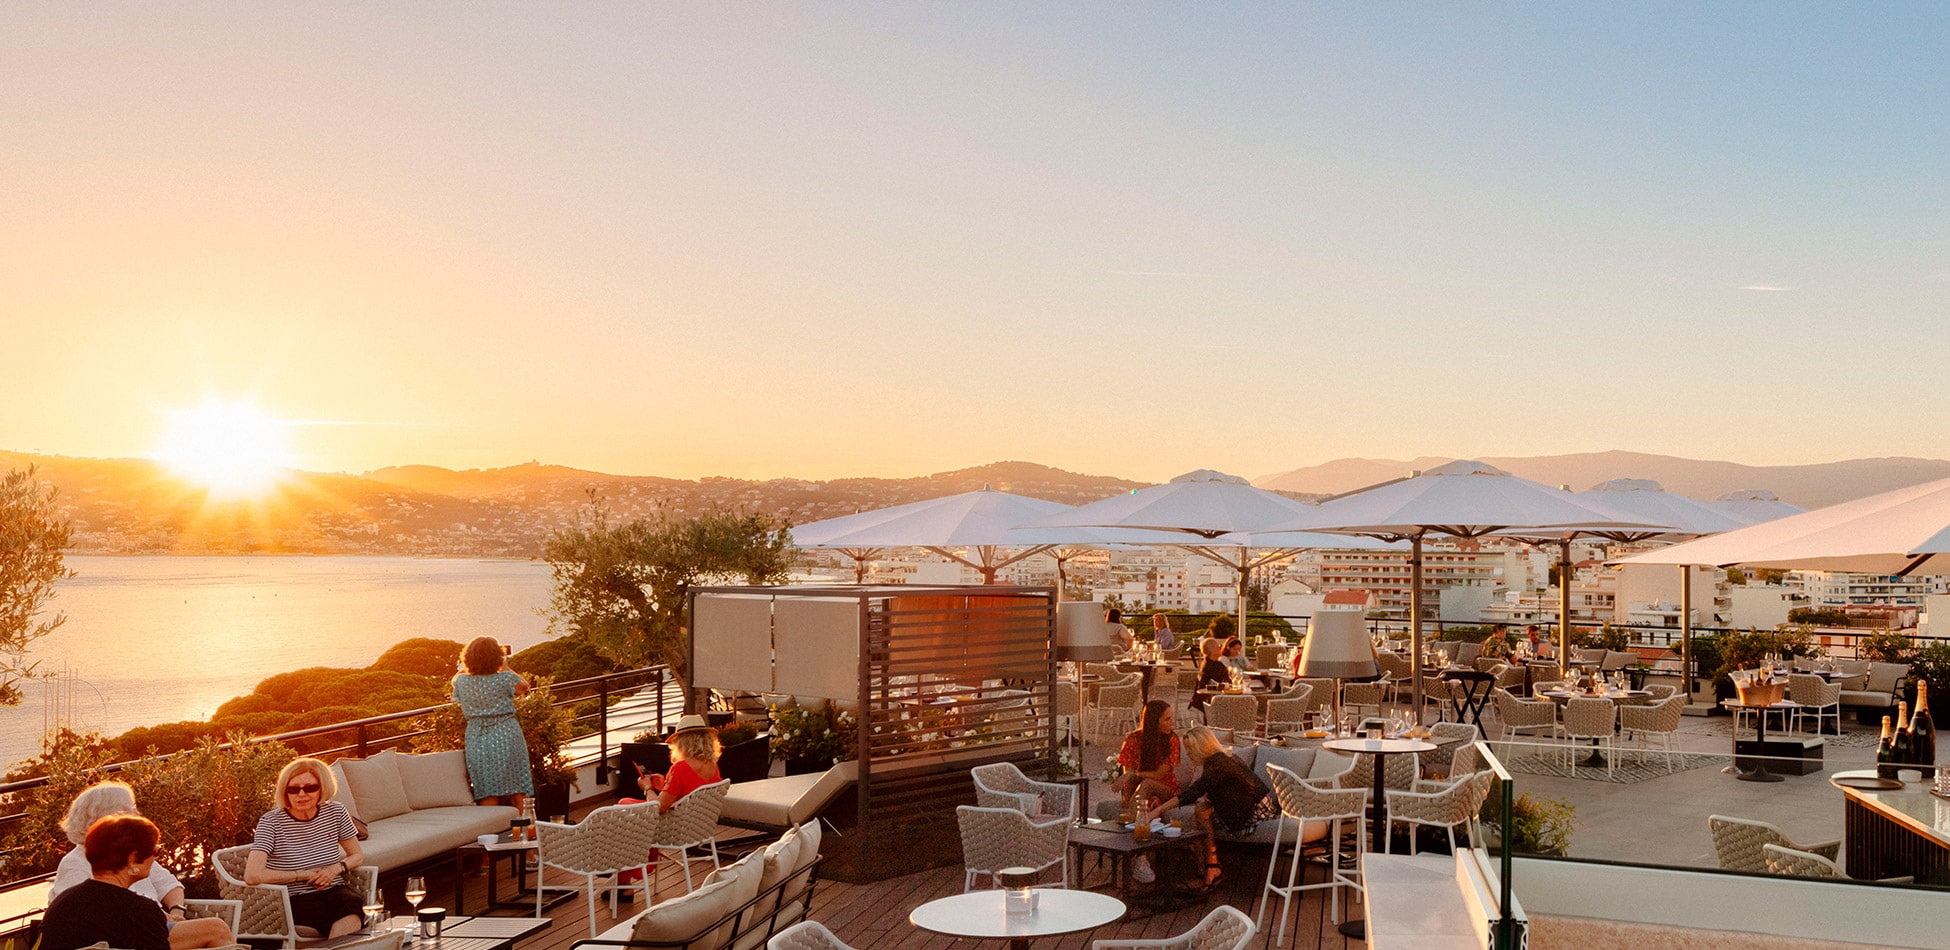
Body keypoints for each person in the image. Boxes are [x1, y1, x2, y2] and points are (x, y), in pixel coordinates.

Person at [50, 783, 236, 950]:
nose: (137, 814)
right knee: (216, 929)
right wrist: (157, 917)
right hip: (125, 934)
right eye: (131, 810)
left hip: (149, 923)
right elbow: (91, 918)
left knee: (215, 928)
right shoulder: (76, 863)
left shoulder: (129, 853)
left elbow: (169, 884)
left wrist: (176, 910)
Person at [1139, 724, 1275, 887]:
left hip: (1255, 809)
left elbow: (1193, 792)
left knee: (1201, 813)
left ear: (1201, 747)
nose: (1188, 754)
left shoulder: (1216, 764)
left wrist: (1159, 810)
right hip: (1253, 803)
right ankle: (1208, 865)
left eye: (1190, 750)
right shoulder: (1223, 757)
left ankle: (1209, 867)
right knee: (1202, 810)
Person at [245, 757, 366, 939]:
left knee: (352, 904)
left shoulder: (336, 812)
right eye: (293, 789)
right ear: (285, 792)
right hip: (294, 896)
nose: (301, 795)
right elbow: (252, 875)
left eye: (310, 788)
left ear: (322, 788)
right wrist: (303, 874)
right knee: (323, 915)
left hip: (333, 888)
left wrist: (334, 870)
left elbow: (357, 855)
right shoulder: (271, 822)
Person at [619, 715, 724, 886]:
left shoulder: (681, 768)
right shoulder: (712, 765)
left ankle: (623, 879)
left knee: (624, 807)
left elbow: (659, 807)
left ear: (683, 742)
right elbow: (687, 795)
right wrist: (664, 785)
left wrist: (647, 787)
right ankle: (626, 878)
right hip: (698, 826)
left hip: (675, 828)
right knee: (630, 810)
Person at [41, 815, 171, 950]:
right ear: (132, 860)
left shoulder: (62, 902)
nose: (155, 858)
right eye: (155, 851)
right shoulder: (141, 912)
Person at [453, 635, 534, 809]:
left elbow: (458, 676)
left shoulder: (461, 681)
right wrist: (506, 667)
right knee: (518, 788)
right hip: (506, 732)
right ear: (496, 656)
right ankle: (528, 834)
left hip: (478, 738)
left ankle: (491, 834)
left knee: (487, 791)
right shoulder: (504, 678)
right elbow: (524, 686)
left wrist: (469, 665)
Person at [1113, 700, 1180, 814]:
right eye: (1167, 719)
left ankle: (1132, 819)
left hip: (1165, 788)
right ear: (1154, 721)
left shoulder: (1172, 740)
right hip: (1138, 786)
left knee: (1147, 784)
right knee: (1131, 782)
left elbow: (1159, 775)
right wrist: (1128, 780)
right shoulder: (1134, 739)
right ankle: (1131, 814)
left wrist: (1135, 774)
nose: (1172, 723)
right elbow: (1128, 772)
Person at [1190, 637, 1229, 712]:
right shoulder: (1215, 666)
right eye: (1218, 647)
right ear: (1214, 650)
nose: (1220, 649)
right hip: (1213, 699)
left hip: (1203, 699)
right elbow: (1226, 682)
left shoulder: (1206, 663)